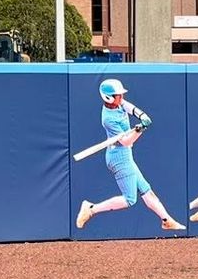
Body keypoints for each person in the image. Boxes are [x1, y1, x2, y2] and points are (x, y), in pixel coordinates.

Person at [76, 79, 187, 231]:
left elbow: (128, 107)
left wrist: (142, 116)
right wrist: (140, 129)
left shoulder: (118, 103)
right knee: (130, 199)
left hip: (125, 155)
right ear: (109, 97)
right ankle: (91, 209)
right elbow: (126, 141)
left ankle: (166, 220)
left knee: (146, 190)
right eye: (118, 95)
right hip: (118, 157)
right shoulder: (108, 119)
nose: (121, 98)